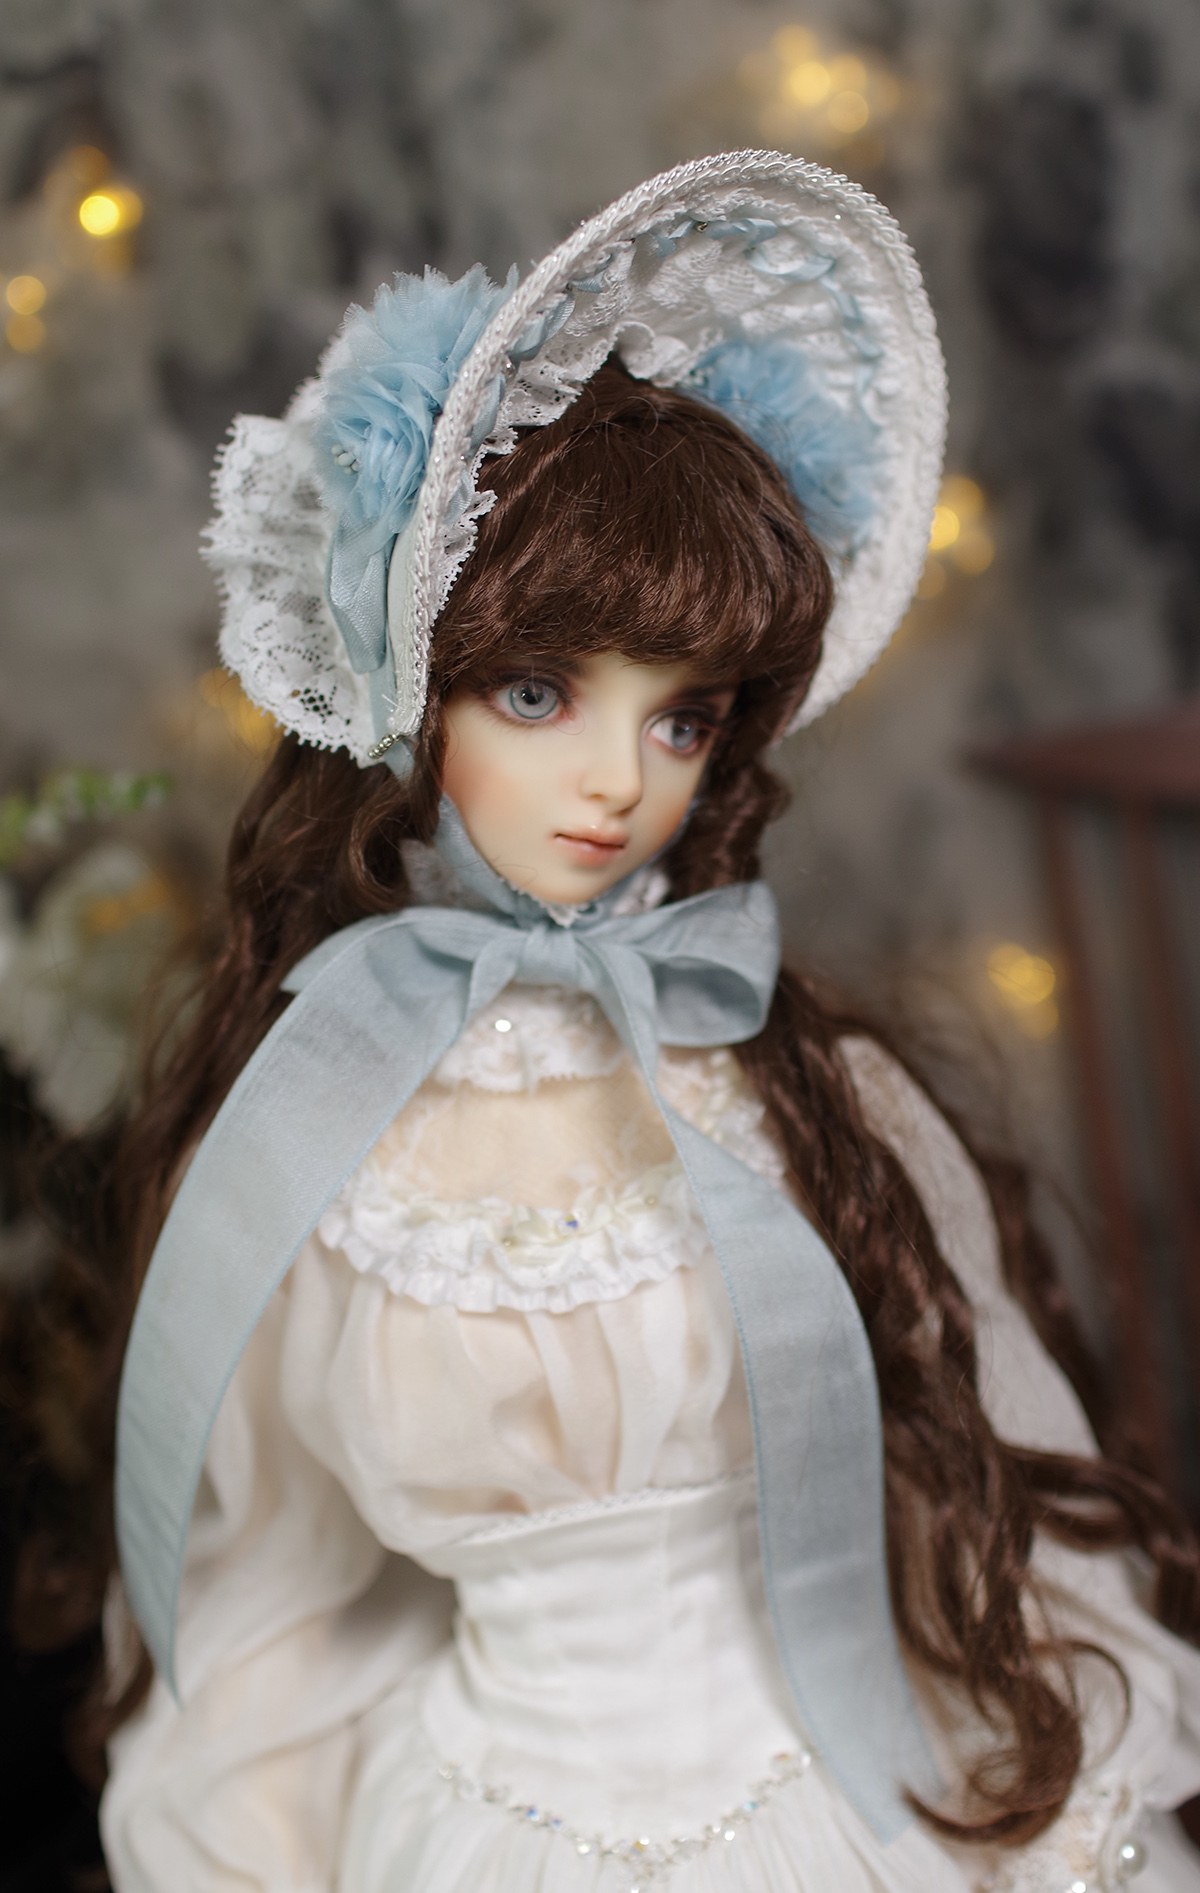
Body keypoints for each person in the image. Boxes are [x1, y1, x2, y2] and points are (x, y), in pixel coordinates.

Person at [55, 154, 1200, 1890]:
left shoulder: (809, 1097)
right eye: (540, 692)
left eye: (684, 719)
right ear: (412, 693)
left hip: (836, 1800)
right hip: (477, 1828)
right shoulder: (313, 1141)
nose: (617, 781)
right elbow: (274, 1590)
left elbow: (986, 1486)